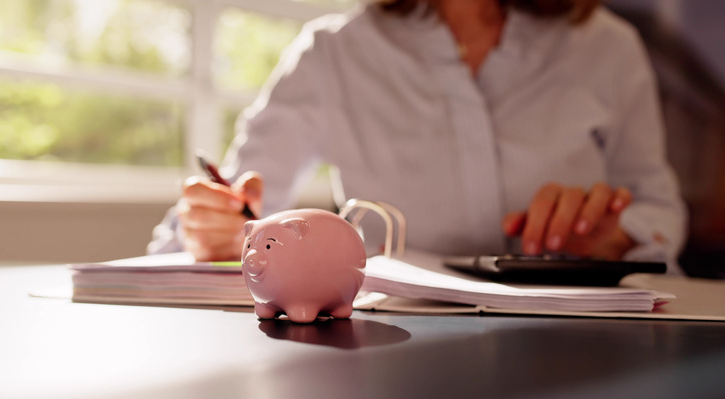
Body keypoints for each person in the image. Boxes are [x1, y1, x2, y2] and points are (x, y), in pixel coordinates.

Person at [149, 0, 687, 273]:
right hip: (390, 346)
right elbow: (231, 211)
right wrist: (212, 230)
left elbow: (660, 210)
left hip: (586, 343)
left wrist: (615, 237)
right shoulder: (333, 54)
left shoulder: (608, 48)